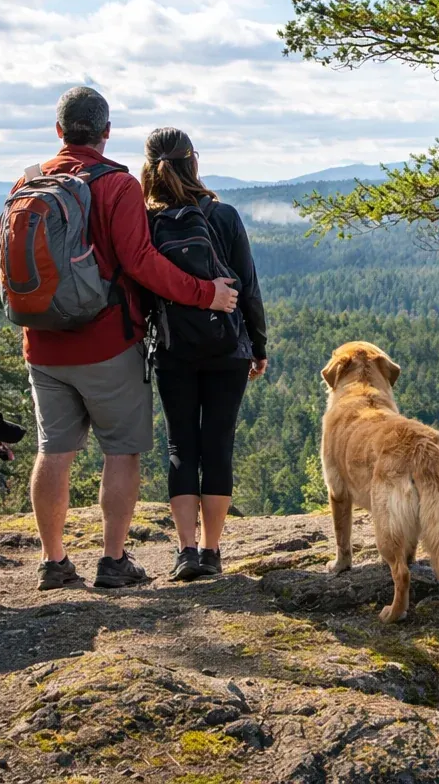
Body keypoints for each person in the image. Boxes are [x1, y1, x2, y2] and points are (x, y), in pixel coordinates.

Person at [19, 88, 239, 591]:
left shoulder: (29, 181)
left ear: (59, 131)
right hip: (106, 341)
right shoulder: (116, 184)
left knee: (53, 450)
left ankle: (54, 563)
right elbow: (141, 263)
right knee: (121, 450)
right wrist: (204, 294)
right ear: (106, 131)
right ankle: (112, 560)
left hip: (42, 344)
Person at [140, 127, 268, 582]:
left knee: (181, 447)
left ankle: (186, 551)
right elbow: (248, 286)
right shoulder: (224, 215)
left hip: (173, 349)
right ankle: (213, 551)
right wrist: (258, 345)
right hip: (226, 347)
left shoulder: (146, 221)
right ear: (194, 161)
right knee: (218, 444)